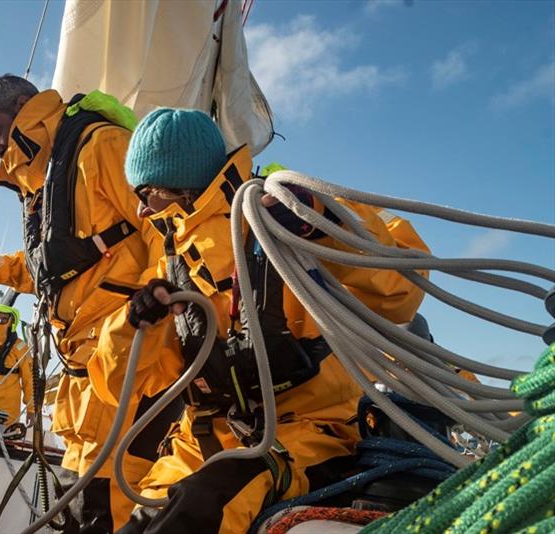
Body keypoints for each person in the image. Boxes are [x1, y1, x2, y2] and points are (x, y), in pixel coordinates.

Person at [86, 108, 429, 533]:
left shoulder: (294, 212)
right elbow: (115, 387)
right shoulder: (172, 261)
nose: (140, 211)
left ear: (179, 186)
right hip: (204, 442)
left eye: (147, 194)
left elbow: (402, 294)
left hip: (304, 435)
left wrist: (323, 226)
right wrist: (134, 323)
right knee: (142, 524)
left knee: (203, 508)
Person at [0, 75, 182, 532]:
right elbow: (54, 266)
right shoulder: (43, 181)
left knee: (109, 507)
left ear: (25, 107)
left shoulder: (101, 145)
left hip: (130, 362)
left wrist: (156, 291)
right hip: (85, 380)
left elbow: (166, 225)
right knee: (77, 508)